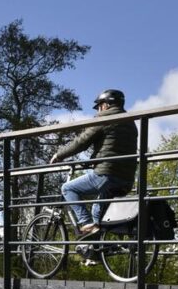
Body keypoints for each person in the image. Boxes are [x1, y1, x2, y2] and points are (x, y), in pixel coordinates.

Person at [49, 89, 138, 235]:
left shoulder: (105, 118)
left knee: (68, 188)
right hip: (126, 178)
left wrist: (59, 155)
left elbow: (81, 142)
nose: (98, 109)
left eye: (99, 106)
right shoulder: (130, 122)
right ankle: (96, 250)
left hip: (107, 175)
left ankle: (85, 222)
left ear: (106, 105)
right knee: (98, 213)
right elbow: (114, 147)